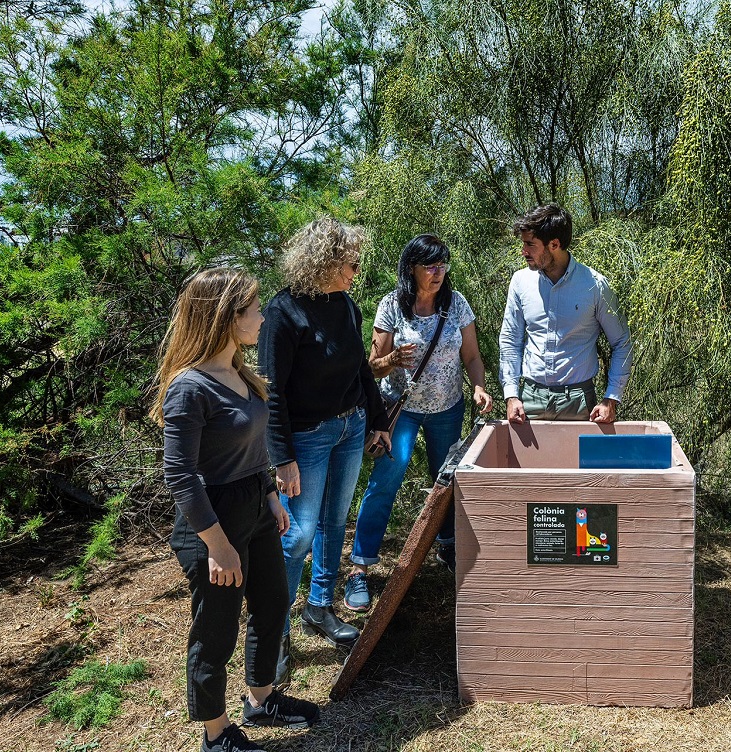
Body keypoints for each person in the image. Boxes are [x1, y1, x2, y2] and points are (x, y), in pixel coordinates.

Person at [153, 268, 319, 752]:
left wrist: (270, 496)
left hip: (254, 505)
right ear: (226, 317)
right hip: (213, 519)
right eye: (253, 310)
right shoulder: (190, 387)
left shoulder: (242, 373)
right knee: (216, 630)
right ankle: (215, 732)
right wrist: (218, 546)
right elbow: (180, 475)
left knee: (272, 603)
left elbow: (251, 450)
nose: (262, 317)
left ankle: (261, 699)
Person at [257, 218, 391, 681]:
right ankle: (273, 634)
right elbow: (271, 392)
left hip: (350, 428)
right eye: (350, 262)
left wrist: (377, 421)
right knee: (296, 535)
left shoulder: (347, 305)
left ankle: (319, 607)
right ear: (324, 263)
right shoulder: (283, 311)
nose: (356, 270)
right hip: (306, 438)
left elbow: (361, 371)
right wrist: (282, 458)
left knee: (334, 523)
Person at [342, 234, 494, 611]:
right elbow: (372, 368)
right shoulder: (392, 305)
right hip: (401, 409)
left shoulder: (456, 304)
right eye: (430, 265)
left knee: (447, 480)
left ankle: (447, 546)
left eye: (442, 264)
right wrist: (392, 359)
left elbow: (472, 356)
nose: (438, 272)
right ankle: (360, 568)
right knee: (387, 477)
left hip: (448, 408)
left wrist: (479, 386)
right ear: (412, 268)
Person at [499, 204, 633, 424]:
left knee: (577, 450)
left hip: (579, 402)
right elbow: (510, 340)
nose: (523, 251)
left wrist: (611, 399)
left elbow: (621, 342)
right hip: (529, 400)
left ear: (554, 244)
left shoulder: (595, 285)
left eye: (530, 244)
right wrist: (511, 395)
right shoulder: (520, 282)